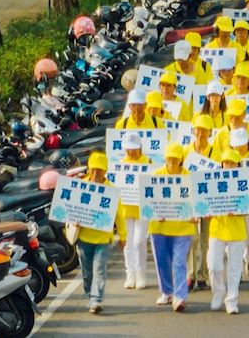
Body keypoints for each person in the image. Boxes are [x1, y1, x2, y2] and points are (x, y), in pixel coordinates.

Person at [149, 144, 195, 311]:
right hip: (159, 226)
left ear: (181, 160)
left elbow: (198, 203)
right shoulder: (156, 176)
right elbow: (148, 203)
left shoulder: (190, 178)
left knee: (179, 261)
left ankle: (180, 296)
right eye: (169, 160)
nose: (172, 163)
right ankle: (167, 291)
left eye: (175, 160)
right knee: (162, 261)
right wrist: (154, 212)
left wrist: (195, 214)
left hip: (183, 227)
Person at [207, 149, 247, 314]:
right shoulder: (212, 182)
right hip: (217, 229)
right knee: (214, 265)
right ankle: (218, 292)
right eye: (226, 163)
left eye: (232, 163)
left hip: (237, 231)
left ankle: (232, 300)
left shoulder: (244, 182)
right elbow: (205, 204)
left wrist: (238, 211)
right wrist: (206, 211)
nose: (228, 166)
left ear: (238, 165)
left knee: (234, 268)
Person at [76, 152, 115, 313]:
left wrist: (124, 236)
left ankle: (96, 299)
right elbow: (69, 210)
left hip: (103, 238)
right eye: (93, 170)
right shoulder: (80, 187)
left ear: (105, 171)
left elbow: (119, 215)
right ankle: (89, 295)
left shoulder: (111, 190)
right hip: (83, 237)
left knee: (99, 269)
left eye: (100, 170)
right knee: (86, 271)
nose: (96, 173)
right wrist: (72, 222)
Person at [115, 131, 151, 289]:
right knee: (128, 244)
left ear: (140, 147)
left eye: (134, 148)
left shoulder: (148, 163)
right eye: (128, 148)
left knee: (139, 241)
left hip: (142, 209)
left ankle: (141, 274)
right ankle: (130, 274)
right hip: (125, 209)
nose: (131, 151)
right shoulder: (119, 164)